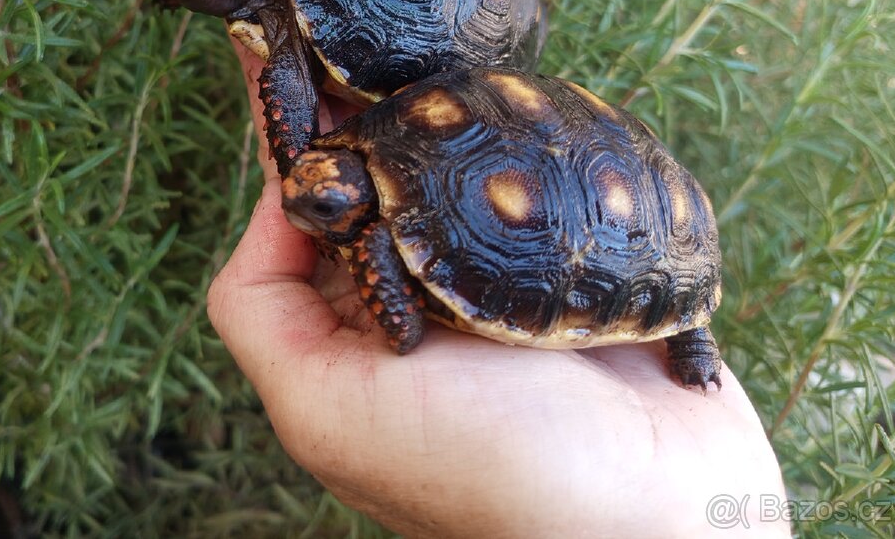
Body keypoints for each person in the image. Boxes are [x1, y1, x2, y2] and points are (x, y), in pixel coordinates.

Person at [208, 41, 791, 536]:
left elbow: (403, 324)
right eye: (311, 190)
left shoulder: (377, 236)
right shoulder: (367, 153)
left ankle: (690, 332)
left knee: (382, 241)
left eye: (322, 203)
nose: (296, 202)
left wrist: (393, 302)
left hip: (635, 206)